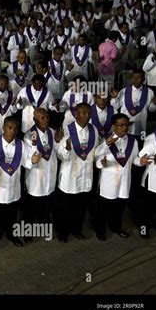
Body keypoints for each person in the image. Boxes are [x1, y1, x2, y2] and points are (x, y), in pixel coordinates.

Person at [0, 116, 39, 249]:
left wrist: (32, 161)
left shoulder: (21, 145)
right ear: (3, 128)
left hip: (14, 188)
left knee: (12, 216)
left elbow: (25, 162)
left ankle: (11, 235)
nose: (12, 131)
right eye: (10, 128)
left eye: (15, 128)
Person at [93, 114, 147, 240]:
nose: (124, 128)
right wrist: (102, 162)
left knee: (120, 208)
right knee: (103, 208)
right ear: (113, 126)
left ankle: (116, 227)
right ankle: (100, 229)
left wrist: (141, 161)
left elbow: (134, 160)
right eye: (121, 125)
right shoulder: (106, 140)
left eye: (126, 125)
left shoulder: (133, 141)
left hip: (124, 181)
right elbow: (96, 157)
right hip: (108, 181)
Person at [55, 103, 98, 242]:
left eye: (89, 113)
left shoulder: (94, 130)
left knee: (81, 207)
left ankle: (77, 230)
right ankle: (63, 233)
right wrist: (67, 148)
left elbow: (95, 151)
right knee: (65, 208)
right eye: (83, 113)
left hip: (86, 175)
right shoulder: (67, 130)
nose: (87, 116)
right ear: (76, 114)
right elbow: (61, 156)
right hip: (70, 176)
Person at [22, 108, 60, 242]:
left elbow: (57, 151)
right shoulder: (28, 136)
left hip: (50, 177)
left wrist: (60, 142)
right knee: (31, 210)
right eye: (42, 118)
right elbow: (27, 158)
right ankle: (27, 233)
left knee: (46, 209)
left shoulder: (52, 132)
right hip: (36, 179)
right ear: (34, 120)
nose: (45, 120)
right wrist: (33, 146)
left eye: (47, 117)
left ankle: (44, 230)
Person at [139, 126, 156, 239]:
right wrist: (144, 158)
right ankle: (144, 228)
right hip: (154, 178)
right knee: (148, 207)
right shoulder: (153, 138)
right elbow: (144, 153)